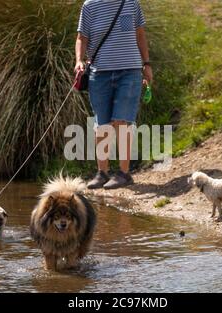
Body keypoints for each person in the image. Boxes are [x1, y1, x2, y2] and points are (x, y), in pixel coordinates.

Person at [75, 0, 153, 189]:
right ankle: (102, 173)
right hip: (99, 73)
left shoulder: (131, 3)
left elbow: (139, 35)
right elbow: (81, 37)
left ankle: (124, 173)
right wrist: (79, 61)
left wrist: (147, 64)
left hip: (130, 71)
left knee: (121, 121)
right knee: (102, 125)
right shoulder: (90, 5)